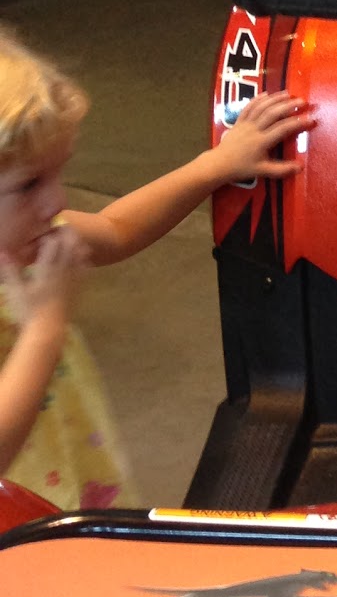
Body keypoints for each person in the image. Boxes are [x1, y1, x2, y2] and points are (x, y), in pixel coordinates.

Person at [0, 28, 315, 507]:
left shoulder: (33, 241)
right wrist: (45, 327)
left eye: (58, 174)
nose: (57, 201)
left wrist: (216, 165)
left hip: (61, 496)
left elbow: (116, 229)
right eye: (29, 185)